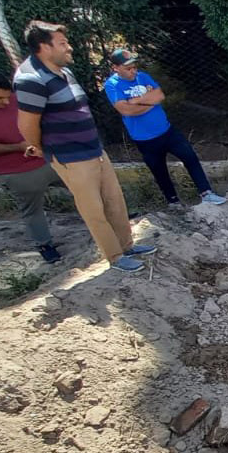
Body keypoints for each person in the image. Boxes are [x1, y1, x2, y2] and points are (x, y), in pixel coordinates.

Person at [14, 21, 155, 273]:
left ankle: (127, 245)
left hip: (93, 148)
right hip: (70, 155)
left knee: (114, 200)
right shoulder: (30, 80)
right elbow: (27, 123)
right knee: (94, 208)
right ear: (43, 47)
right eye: (62, 44)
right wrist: (38, 146)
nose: (69, 48)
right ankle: (115, 256)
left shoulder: (63, 71)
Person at [0, 71, 63, 263]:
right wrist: (17, 147)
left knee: (85, 185)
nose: (6, 103)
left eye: (8, 97)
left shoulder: (16, 99)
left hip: (46, 158)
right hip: (15, 170)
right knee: (32, 209)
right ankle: (44, 245)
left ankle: (115, 218)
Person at [103, 48, 226, 208]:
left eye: (134, 66)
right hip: (145, 139)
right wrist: (148, 101)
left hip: (167, 131)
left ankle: (206, 193)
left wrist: (134, 101)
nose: (134, 71)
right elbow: (125, 110)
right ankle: (173, 202)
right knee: (159, 171)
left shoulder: (143, 77)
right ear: (115, 68)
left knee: (190, 157)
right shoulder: (112, 85)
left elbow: (160, 96)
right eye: (128, 68)